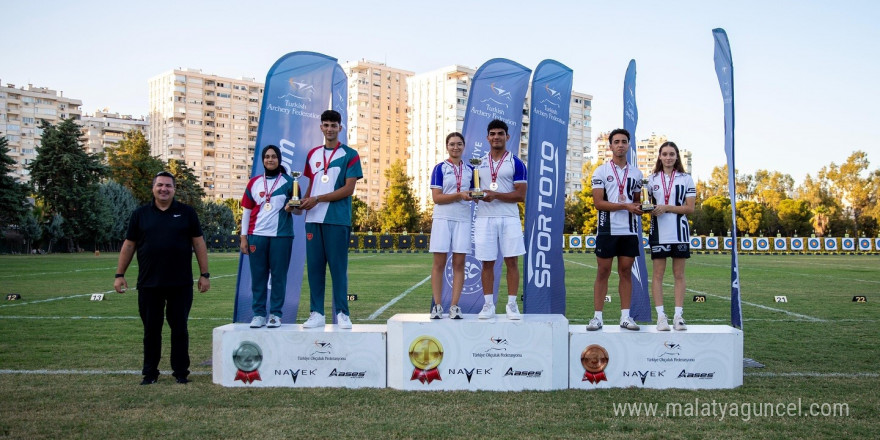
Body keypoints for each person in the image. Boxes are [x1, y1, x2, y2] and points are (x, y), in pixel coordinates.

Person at [114, 171, 210, 385]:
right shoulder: (140, 214)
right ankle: (150, 373)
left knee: (180, 330)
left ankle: (181, 373)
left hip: (180, 283)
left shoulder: (187, 213)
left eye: (168, 186)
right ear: (153, 188)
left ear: (174, 189)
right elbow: (129, 245)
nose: (164, 189)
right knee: (151, 330)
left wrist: (204, 274)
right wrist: (119, 275)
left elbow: (199, 244)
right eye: (160, 185)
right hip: (149, 283)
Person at [297, 110, 363, 329]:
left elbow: (349, 188)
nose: (329, 129)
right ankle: (316, 313)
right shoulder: (313, 154)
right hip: (313, 219)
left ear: (340, 128)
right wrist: (299, 204)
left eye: (333, 125)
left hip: (337, 219)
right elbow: (310, 187)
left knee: (337, 267)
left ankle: (343, 312)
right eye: (325, 125)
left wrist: (317, 199)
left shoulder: (350, 154)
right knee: (315, 268)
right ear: (321, 127)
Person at [587, 128, 644, 331]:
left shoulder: (637, 173)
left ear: (629, 145)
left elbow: (637, 202)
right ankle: (597, 317)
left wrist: (639, 209)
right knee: (603, 272)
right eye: (616, 141)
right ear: (610, 146)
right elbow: (598, 203)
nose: (620, 145)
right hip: (607, 229)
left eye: (624, 141)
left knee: (625, 272)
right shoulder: (601, 171)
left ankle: (625, 317)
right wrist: (626, 206)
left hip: (629, 231)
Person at [474, 119, 527, 320]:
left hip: (509, 217)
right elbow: (474, 192)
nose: (496, 137)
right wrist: (477, 195)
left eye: (500, 133)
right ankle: (488, 304)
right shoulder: (478, 163)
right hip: (485, 218)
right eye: (493, 133)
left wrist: (495, 195)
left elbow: (521, 195)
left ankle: (512, 305)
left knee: (511, 262)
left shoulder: (516, 163)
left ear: (507, 137)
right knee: (487, 263)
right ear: (488, 137)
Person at [240, 145, 295, 328]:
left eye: (273, 156)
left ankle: (276, 315)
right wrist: (243, 237)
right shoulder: (254, 182)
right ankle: (258, 314)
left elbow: (298, 211)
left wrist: (291, 208)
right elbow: (246, 211)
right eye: (267, 156)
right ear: (263, 160)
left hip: (281, 236)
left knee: (279, 277)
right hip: (257, 236)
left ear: (279, 159)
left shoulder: (289, 182)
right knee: (258, 277)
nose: (270, 159)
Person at [647, 141, 696, 331]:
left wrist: (666, 207)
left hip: (680, 233)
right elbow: (647, 206)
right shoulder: (651, 180)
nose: (668, 157)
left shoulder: (686, 179)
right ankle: (661, 317)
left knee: (679, 275)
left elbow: (690, 208)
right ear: (659, 156)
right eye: (665, 154)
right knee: (658, 275)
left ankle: (678, 316)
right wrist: (650, 210)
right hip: (658, 232)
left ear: (677, 157)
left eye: (672, 154)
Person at [429, 132, 474, 319]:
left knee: (459, 264)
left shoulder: (471, 170)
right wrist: (459, 195)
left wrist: (476, 197)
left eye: (459, 144)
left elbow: (473, 193)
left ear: (464, 146)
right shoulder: (439, 168)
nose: (455, 147)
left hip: (462, 219)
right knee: (439, 263)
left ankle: (454, 306)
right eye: (452, 144)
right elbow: (437, 198)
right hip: (442, 219)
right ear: (447, 147)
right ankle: (437, 306)